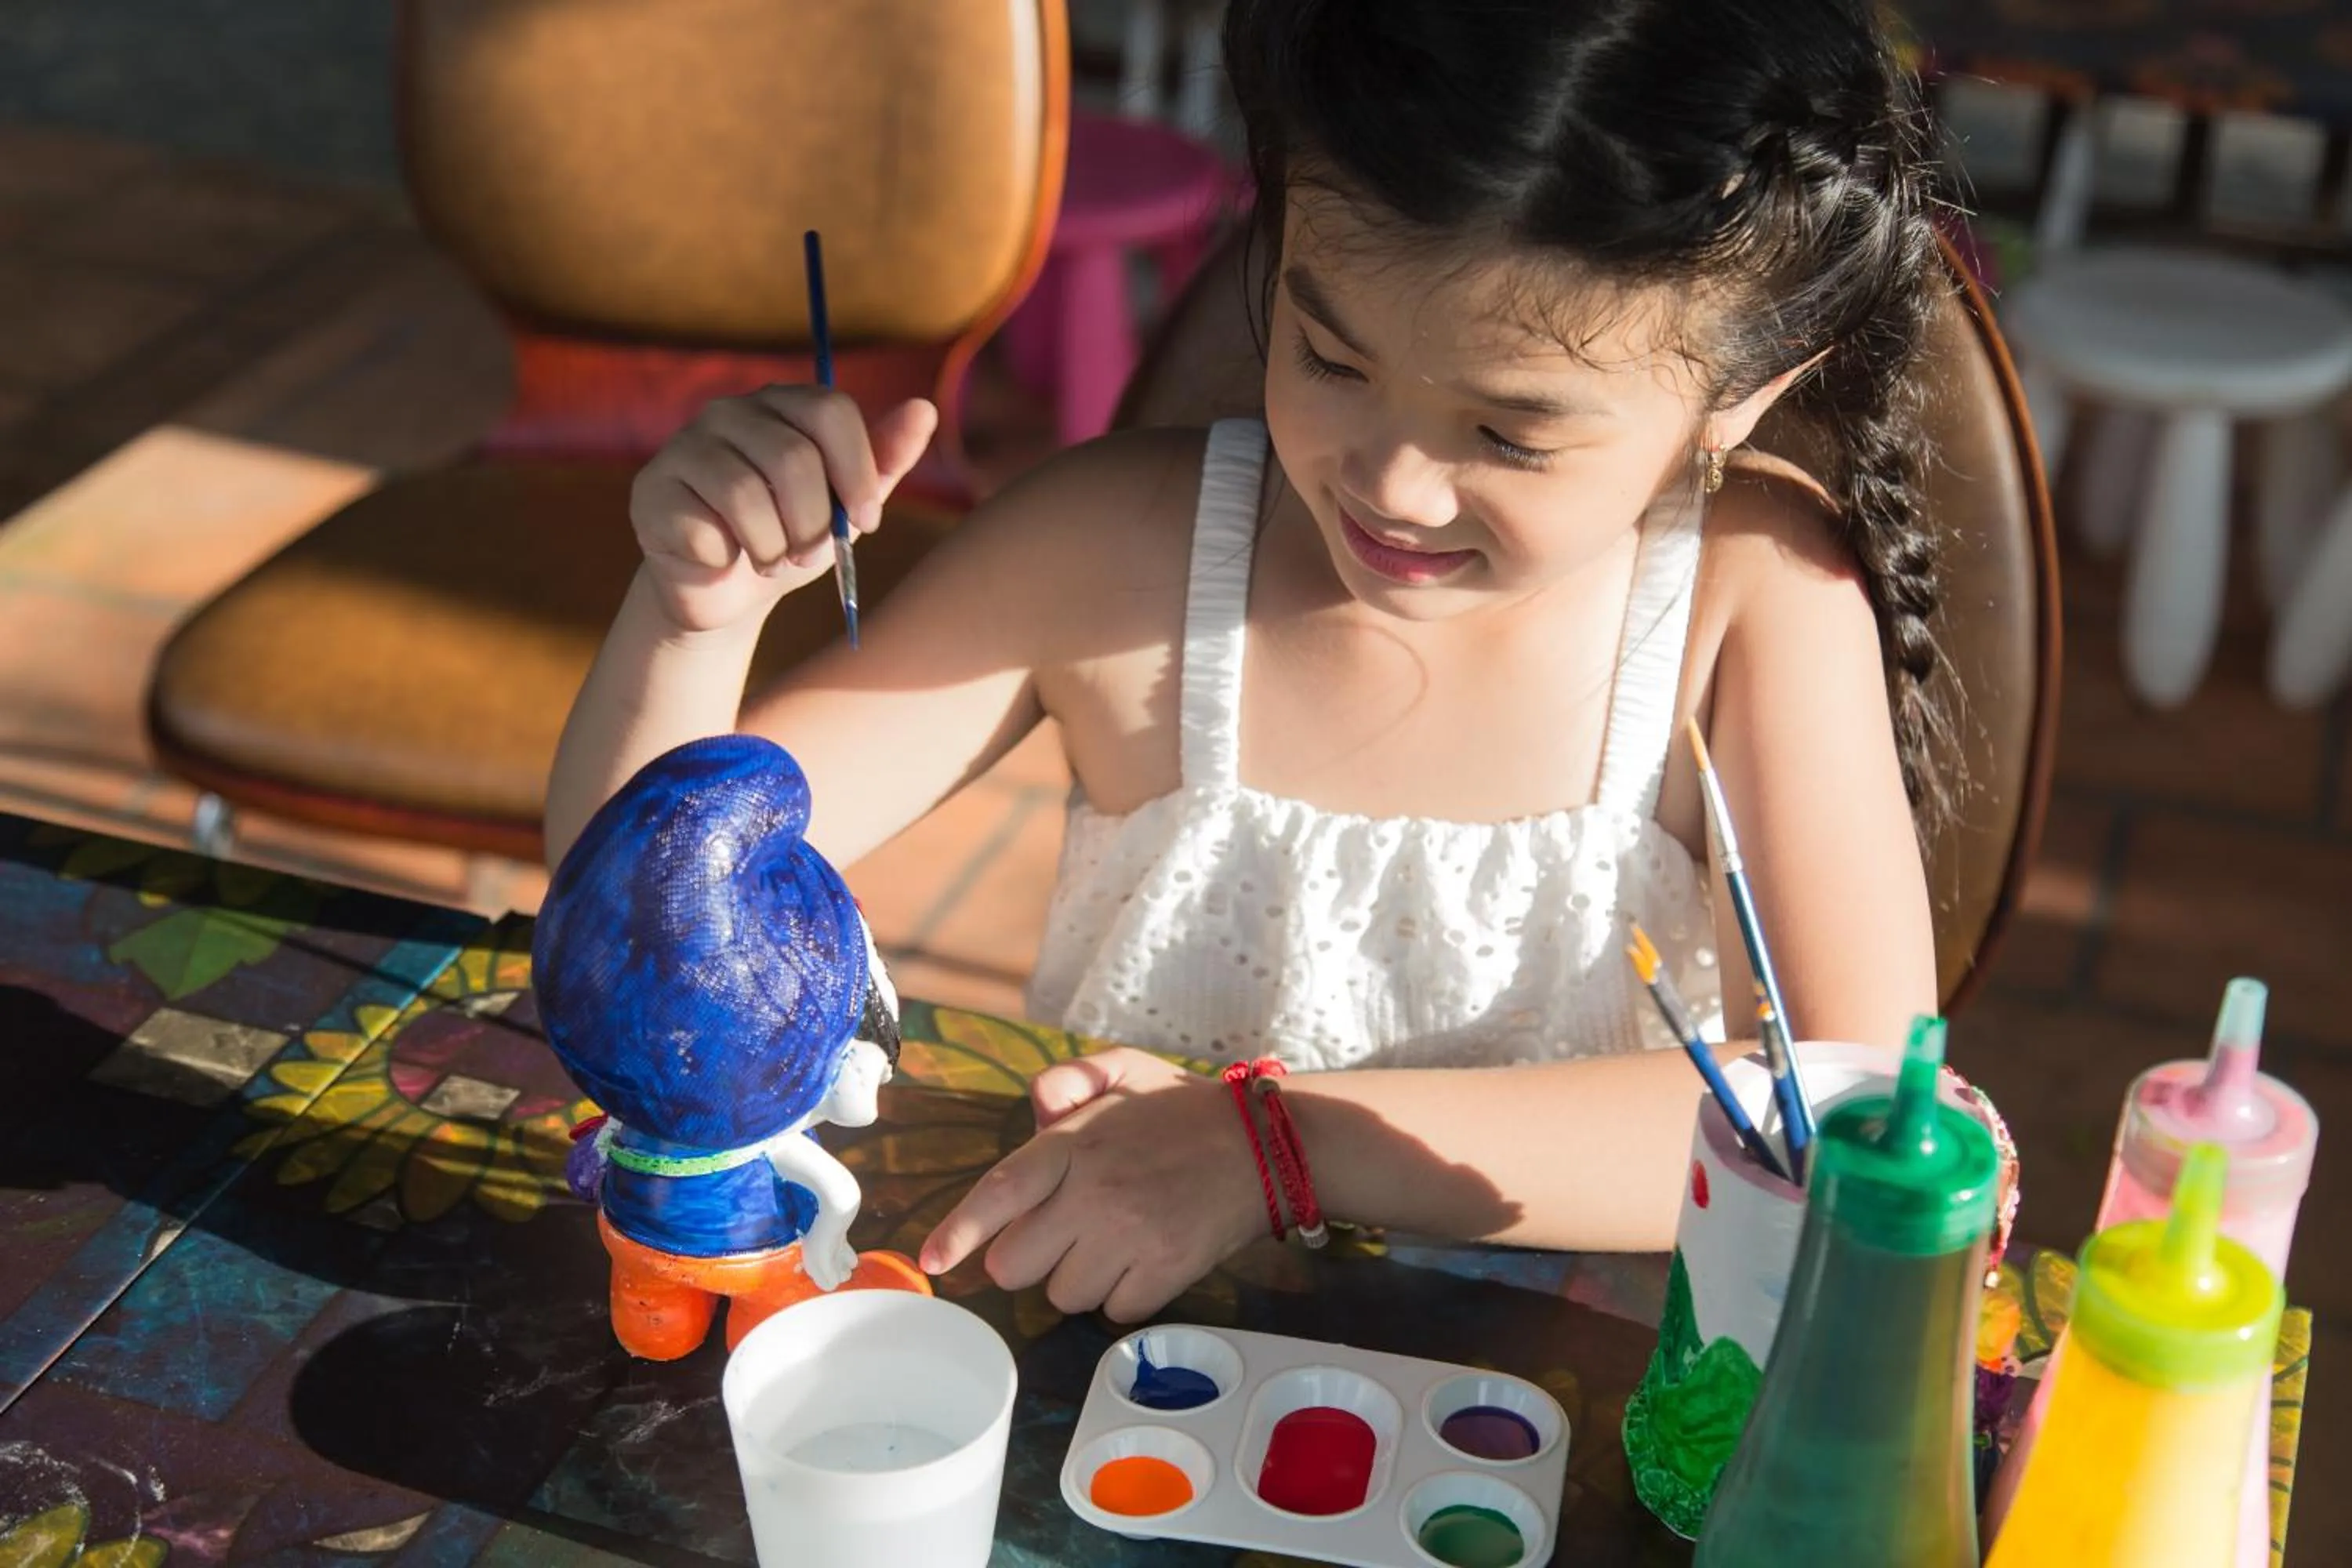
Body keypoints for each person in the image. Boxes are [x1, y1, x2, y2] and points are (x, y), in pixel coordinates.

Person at [546, 0, 1947, 1323]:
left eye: (1511, 436)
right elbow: (642, 933)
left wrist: (1274, 1146)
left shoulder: (1751, 599)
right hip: (1122, 1376)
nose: (1393, 482)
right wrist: (696, 613)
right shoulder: (1104, 551)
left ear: (1742, 393)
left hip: (1566, 1411)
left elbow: (1865, 1123)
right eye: (1332, 358)